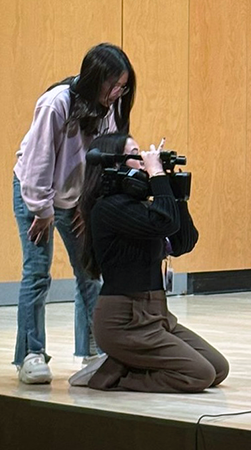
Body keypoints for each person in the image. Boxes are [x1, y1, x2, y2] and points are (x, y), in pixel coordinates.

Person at [12, 43, 136, 384]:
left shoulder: (109, 108)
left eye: (122, 87)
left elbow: (101, 159)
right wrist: (41, 209)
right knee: (37, 273)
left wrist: (87, 203)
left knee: (89, 273)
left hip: (75, 197)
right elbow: (39, 160)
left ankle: (93, 350)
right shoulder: (57, 104)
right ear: (96, 78)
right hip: (35, 193)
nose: (117, 93)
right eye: (113, 85)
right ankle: (30, 355)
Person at [67, 133, 229, 392]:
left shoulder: (139, 205)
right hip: (124, 321)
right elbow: (164, 222)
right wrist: (158, 177)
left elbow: (183, 243)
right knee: (199, 375)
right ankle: (112, 376)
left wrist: (177, 195)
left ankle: (126, 363)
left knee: (218, 369)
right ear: (115, 164)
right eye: (136, 153)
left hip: (157, 314)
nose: (144, 159)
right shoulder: (109, 208)